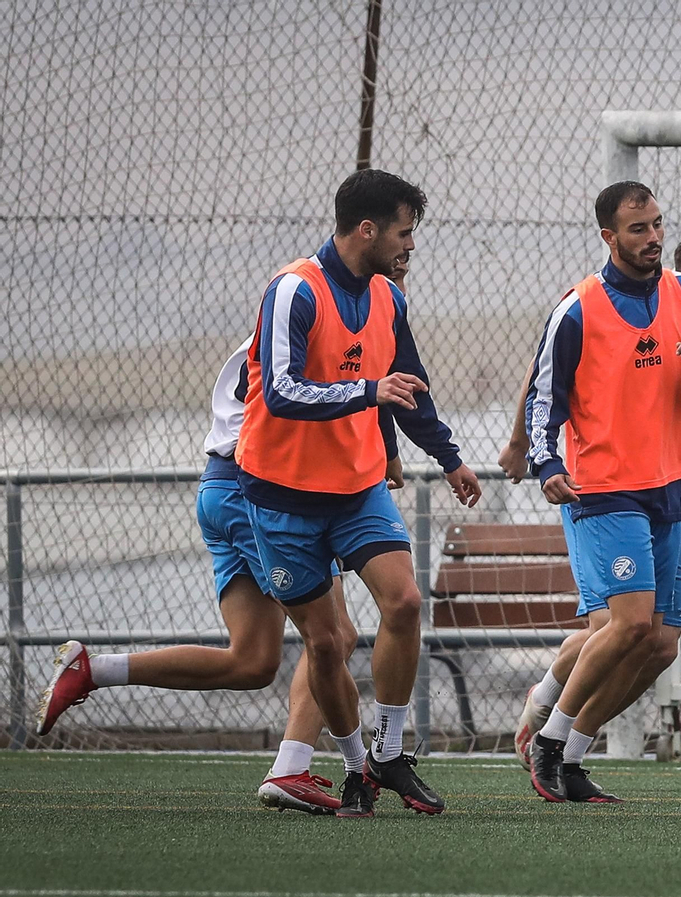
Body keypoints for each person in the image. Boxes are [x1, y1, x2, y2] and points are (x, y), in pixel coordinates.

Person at [33, 250, 426, 815]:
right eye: (397, 252)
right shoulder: (316, 316)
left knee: (253, 661)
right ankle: (294, 768)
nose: (400, 269)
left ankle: (93, 669)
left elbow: (362, 392)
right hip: (260, 490)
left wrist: (386, 450)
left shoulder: (313, 315)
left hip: (220, 488)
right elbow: (314, 401)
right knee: (335, 637)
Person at [235, 169, 481, 817]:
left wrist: (451, 459)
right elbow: (282, 392)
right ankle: (352, 767)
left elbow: (410, 388)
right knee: (326, 644)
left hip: (356, 488)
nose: (411, 245)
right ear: (367, 230)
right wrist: (368, 391)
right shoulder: (294, 290)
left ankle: (388, 750)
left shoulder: (389, 298)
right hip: (282, 496)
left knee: (404, 601)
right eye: (404, 232)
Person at [504, 232, 681, 768]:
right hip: (601, 486)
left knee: (659, 645)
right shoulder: (630, 315)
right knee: (619, 627)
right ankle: (550, 728)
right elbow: (545, 376)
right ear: (677, 279)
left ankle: (567, 743)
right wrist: (522, 446)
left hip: (660, 489)